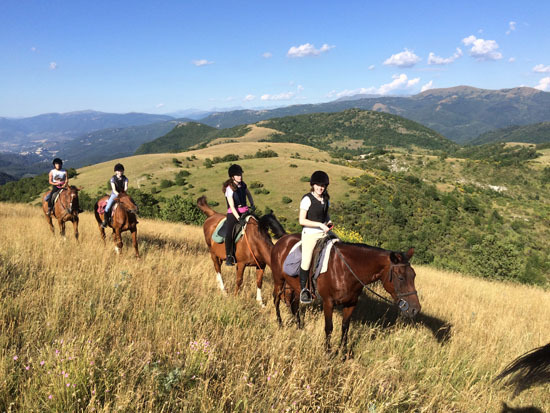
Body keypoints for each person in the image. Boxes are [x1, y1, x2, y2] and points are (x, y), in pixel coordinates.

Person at [298, 170, 332, 304]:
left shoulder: (326, 199)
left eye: (323, 185)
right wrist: (319, 225)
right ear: (313, 185)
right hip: (310, 234)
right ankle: (303, 290)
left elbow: (326, 215)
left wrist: (328, 222)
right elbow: (302, 220)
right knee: (306, 261)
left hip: (323, 232)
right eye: (318, 185)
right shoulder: (307, 199)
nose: (320, 187)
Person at [222, 164, 255, 266]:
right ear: (232, 176)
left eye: (240, 174)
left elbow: (248, 194)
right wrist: (238, 218)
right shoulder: (229, 189)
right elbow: (231, 206)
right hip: (233, 214)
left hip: (245, 211)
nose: (240, 176)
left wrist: (252, 204)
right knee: (229, 234)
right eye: (237, 175)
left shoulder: (243, 185)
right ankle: (229, 256)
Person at [101, 163, 129, 228]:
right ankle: (105, 221)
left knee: (132, 203)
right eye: (119, 171)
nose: (120, 172)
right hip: (115, 194)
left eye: (121, 171)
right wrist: (118, 194)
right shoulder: (112, 179)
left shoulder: (125, 179)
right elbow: (113, 189)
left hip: (123, 194)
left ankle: (133, 219)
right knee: (107, 207)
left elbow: (126, 187)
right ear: (116, 171)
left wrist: (123, 193)